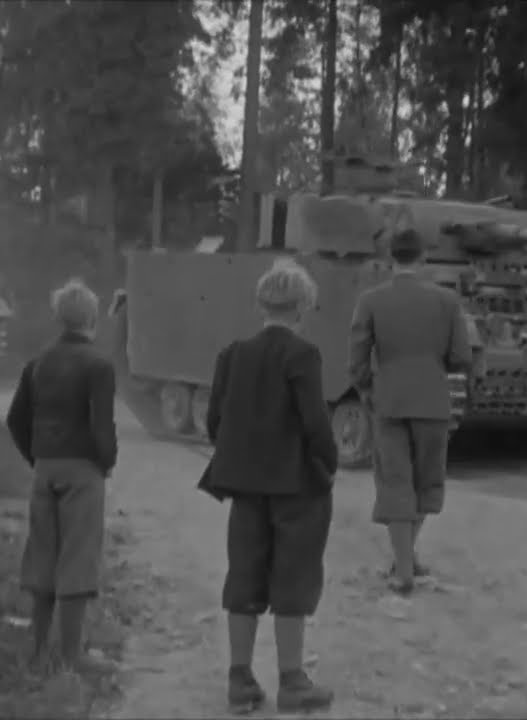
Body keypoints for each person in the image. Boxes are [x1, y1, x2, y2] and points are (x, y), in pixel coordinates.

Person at [198, 258, 338, 714]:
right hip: (296, 487)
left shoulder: (232, 354)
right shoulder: (302, 355)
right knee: (293, 580)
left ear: (262, 303)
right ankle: (292, 683)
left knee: (244, 577)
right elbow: (316, 423)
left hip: (245, 486)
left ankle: (239, 682)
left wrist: (242, 457)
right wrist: (328, 464)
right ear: (302, 307)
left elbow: (214, 421)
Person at [348, 228, 473, 595]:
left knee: (395, 482)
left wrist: (368, 390)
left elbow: (356, 357)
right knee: (424, 482)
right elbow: (461, 358)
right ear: (423, 259)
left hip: (389, 400)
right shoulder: (447, 301)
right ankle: (406, 561)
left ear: (390, 259)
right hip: (433, 400)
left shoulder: (371, 301)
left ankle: (403, 566)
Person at [5, 278, 118, 677]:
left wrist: (35, 457)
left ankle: (37, 651)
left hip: (45, 467)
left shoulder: (37, 363)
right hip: (82, 470)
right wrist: (106, 462)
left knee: (42, 556)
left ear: (58, 318)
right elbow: (101, 425)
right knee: (78, 557)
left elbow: (15, 419)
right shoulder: (99, 365)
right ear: (91, 317)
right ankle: (72, 655)